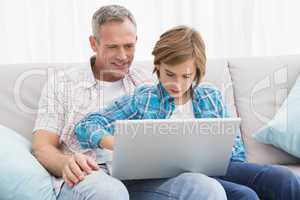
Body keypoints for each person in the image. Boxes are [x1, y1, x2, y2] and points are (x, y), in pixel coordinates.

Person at [75, 25, 300, 200]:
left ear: (197, 73)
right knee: (245, 196)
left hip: (215, 169)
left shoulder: (210, 95)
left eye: (186, 76)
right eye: (170, 74)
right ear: (158, 65)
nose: (178, 84)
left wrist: (212, 149)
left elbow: (237, 152)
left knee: (284, 179)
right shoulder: (144, 98)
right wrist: (116, 142)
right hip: (170, 177)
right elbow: (87, 125)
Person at [32, 5, 226, 200]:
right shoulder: (64, 83)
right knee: (111, 192)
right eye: (112, 47)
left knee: (206, 188)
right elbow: (41, 147)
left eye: (129, 46)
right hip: (89, 176)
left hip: (143, 179)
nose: (123, 56)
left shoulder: (148, 82)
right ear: (94, 43)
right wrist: (65, 163)